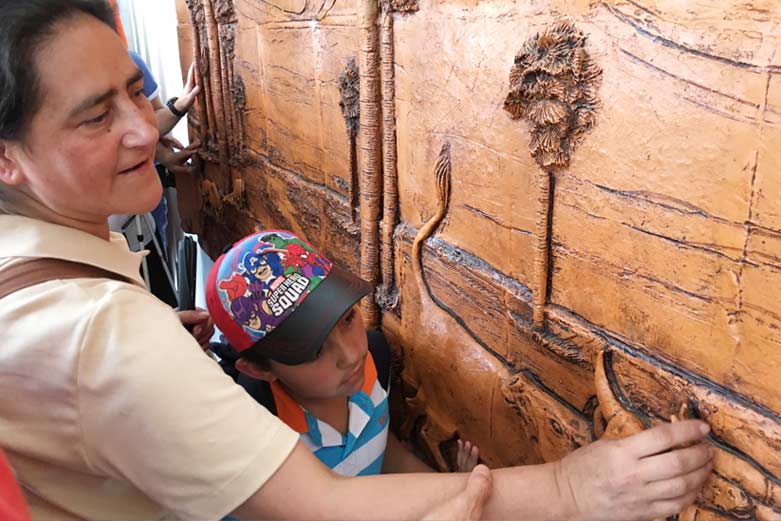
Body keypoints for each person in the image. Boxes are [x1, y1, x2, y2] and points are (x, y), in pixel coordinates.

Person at [0, 1, 713, 519]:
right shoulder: (105, 336)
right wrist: (565, 490)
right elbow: (315, 502)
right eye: (95, 116)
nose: (142, 128)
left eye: (137, 90)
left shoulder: (370, 367)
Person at [206, 230, 480, 475]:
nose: (352, 356)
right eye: (314, 351)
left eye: (348, 318)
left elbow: (382, 452)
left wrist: (455, 490)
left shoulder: (374, 360)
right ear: (259, 369)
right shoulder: (258, 445)